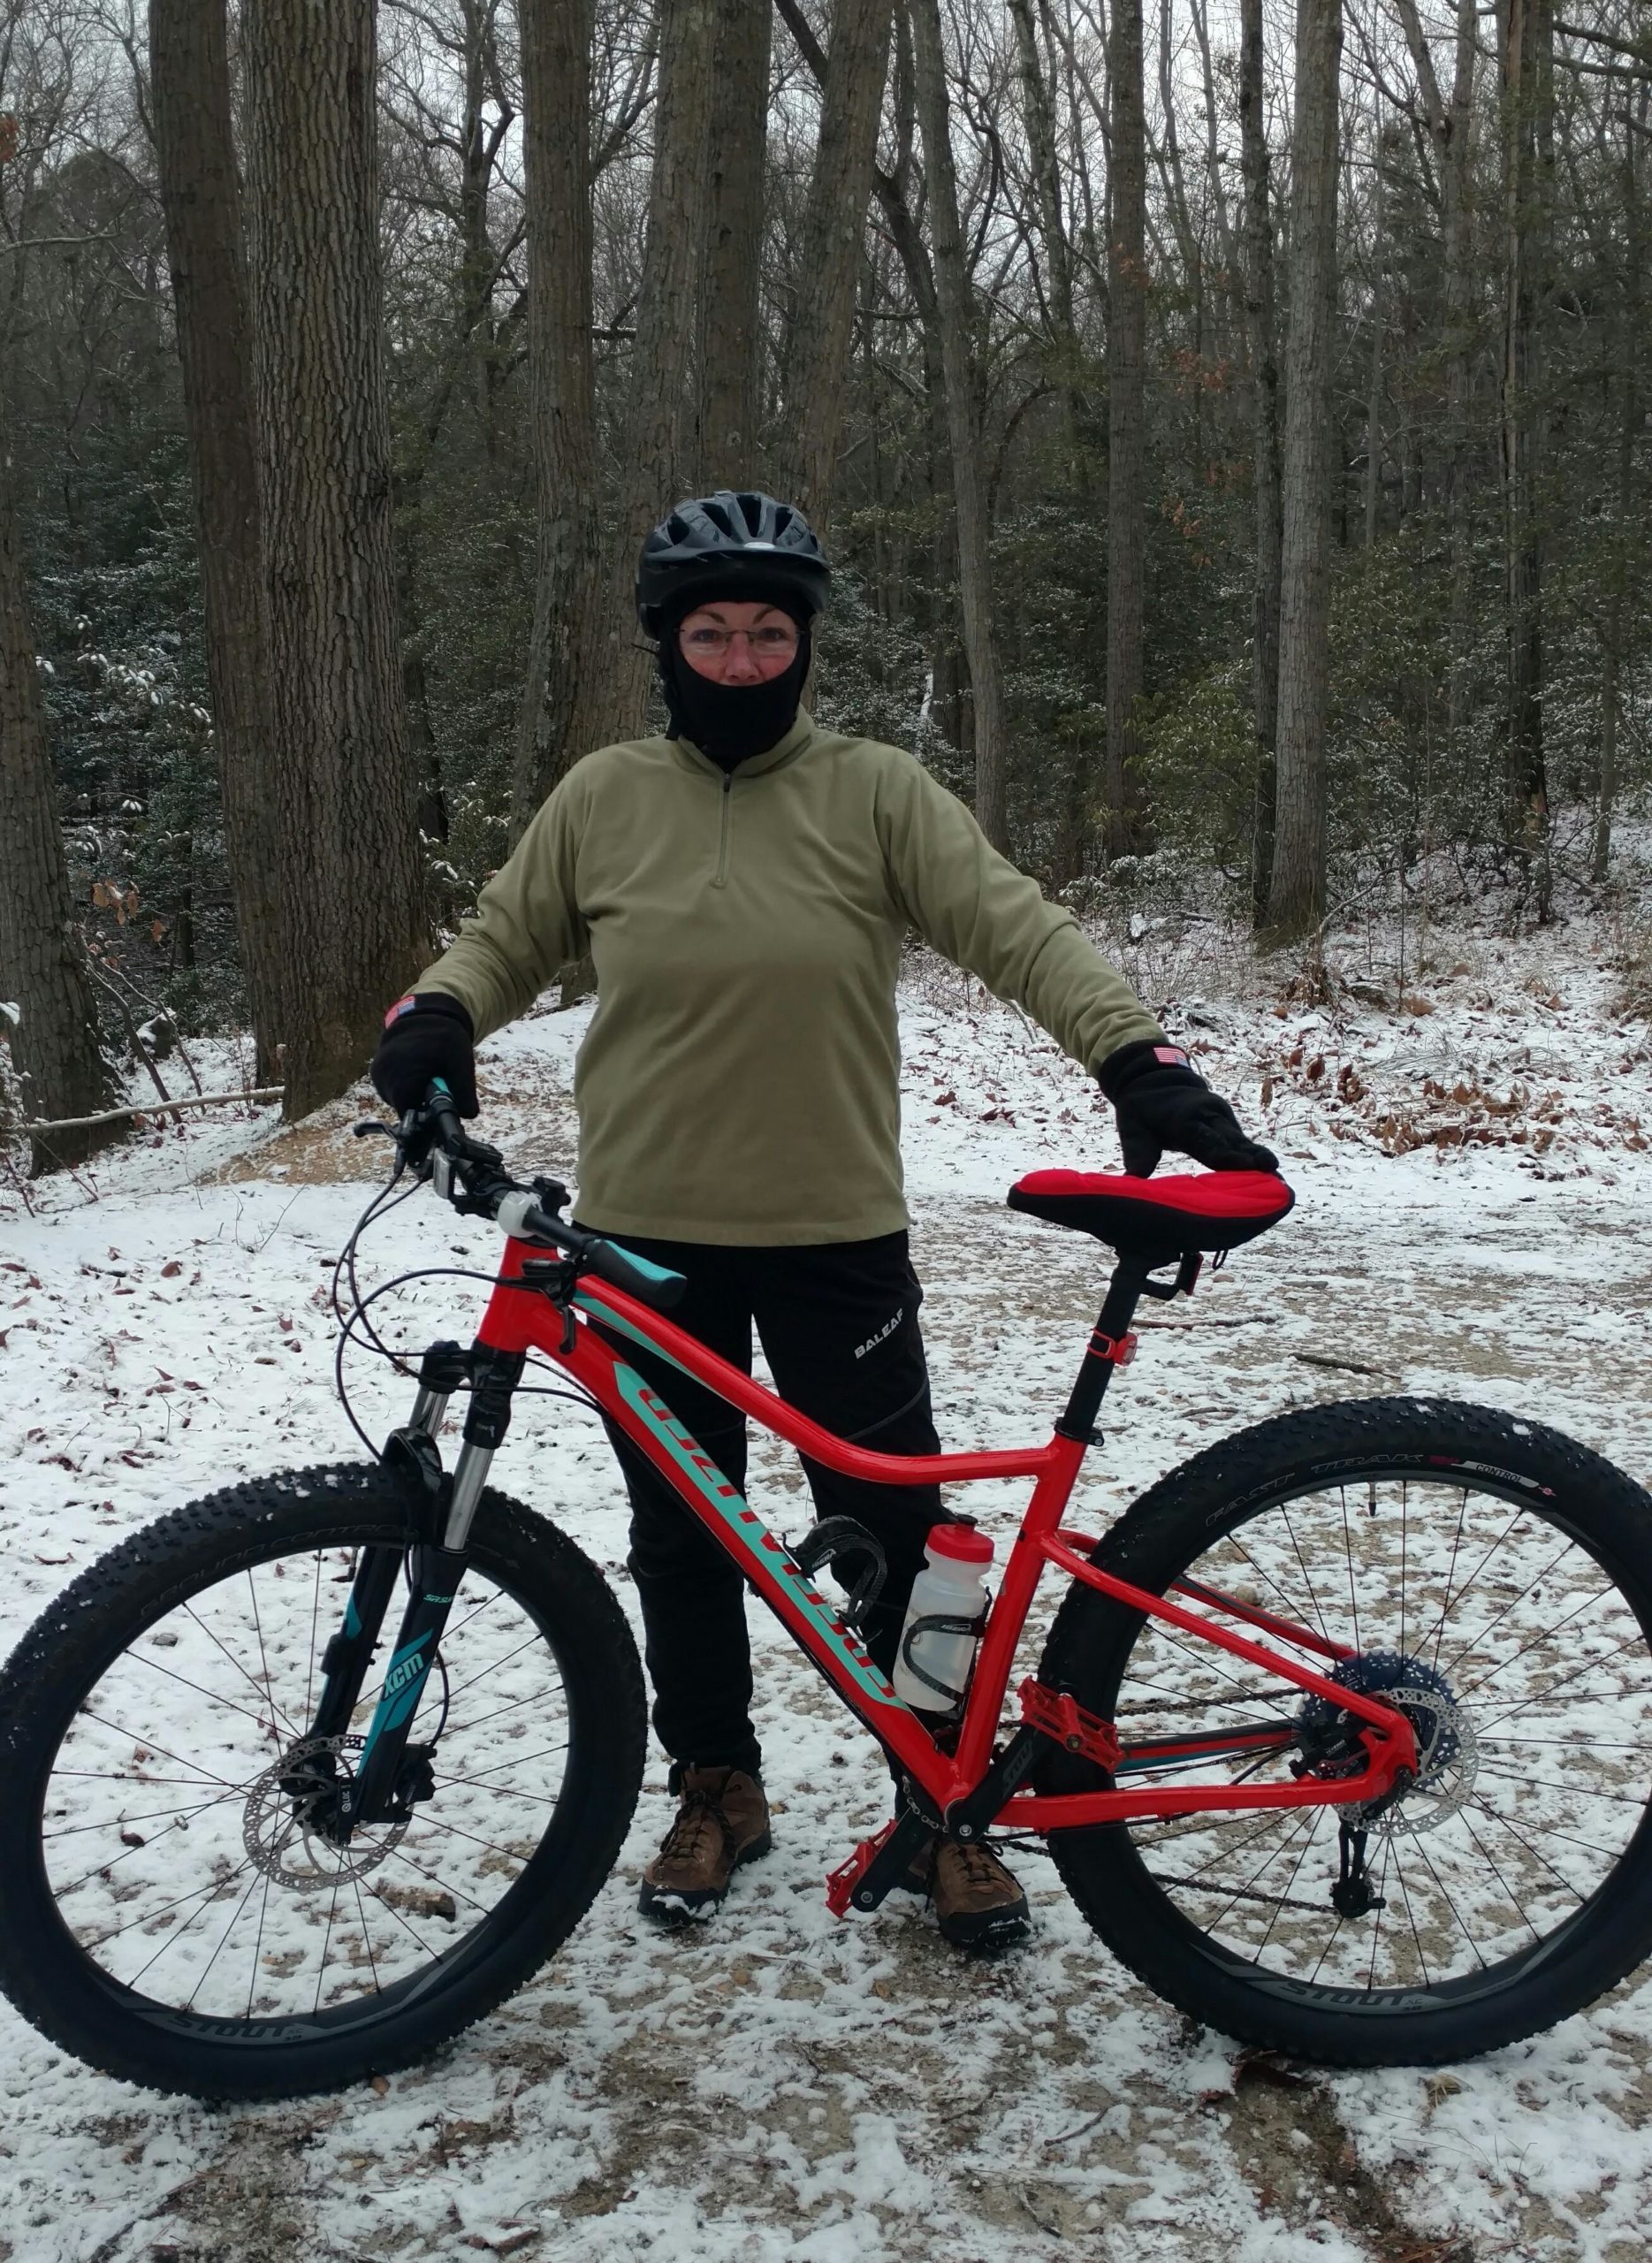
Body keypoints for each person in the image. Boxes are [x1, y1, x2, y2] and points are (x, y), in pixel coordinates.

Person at [371, 490, 1275, 1953]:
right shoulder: (603, 795)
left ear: (802, 647)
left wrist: (1136, 1059)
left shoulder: (873, 791)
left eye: (766, 633)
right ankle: (716, 1785)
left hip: (832, 1230)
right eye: (710, 632)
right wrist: (433, 1020)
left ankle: (940, 1812)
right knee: (681, 1532)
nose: (739, 658)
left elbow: (1015, 925)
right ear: (667, 646)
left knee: (896, 1529)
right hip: (642, 1236)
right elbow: (502, 935)